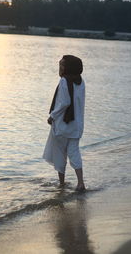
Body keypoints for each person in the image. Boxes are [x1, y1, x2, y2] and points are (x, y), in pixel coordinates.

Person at [43, 55, 85, 191]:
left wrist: (52, 116)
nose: (59, 68)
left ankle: (61, 184)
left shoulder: (63, 82)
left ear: (68, 68)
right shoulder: (80, 82)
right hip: (77, 125)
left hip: (63, 124)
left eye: (62, 65)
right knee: (74, 153)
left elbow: (63, 103)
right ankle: (80, 183)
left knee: (59, 153)